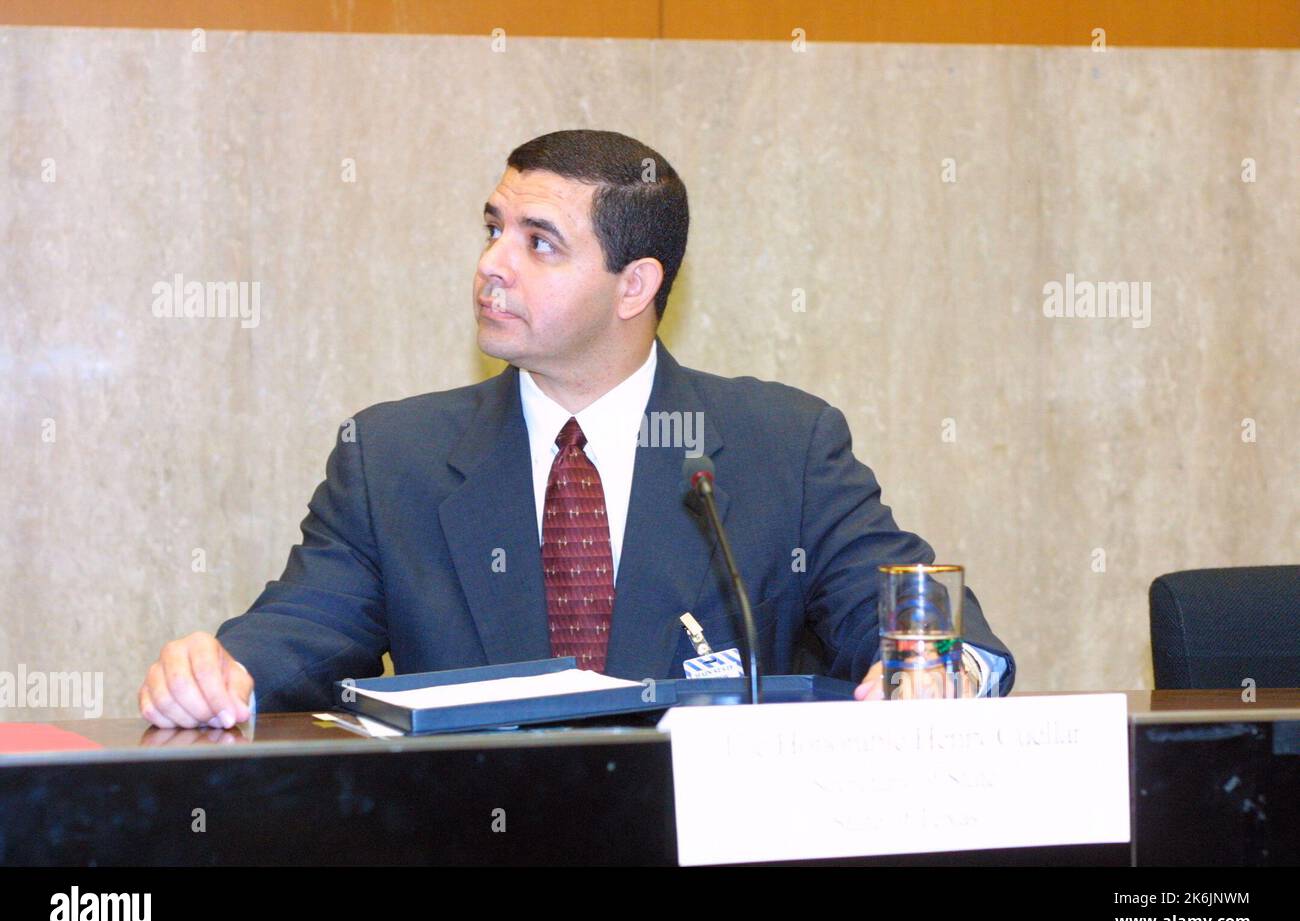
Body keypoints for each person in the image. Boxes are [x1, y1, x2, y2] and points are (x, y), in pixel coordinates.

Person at [138, 129, 1015, 729]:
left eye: (538, 242)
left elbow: (899, 607)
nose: (491, 266)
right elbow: (302, 625)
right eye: (492, 229)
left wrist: (949, 668)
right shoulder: (393, 459)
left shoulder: (781, 443)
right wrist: (219, 668)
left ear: (634, 285)